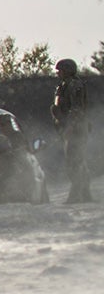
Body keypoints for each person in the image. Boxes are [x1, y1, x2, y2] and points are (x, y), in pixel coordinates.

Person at [53, 58, 93, 205]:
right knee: (76, 161)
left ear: (68, 70)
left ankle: (78, 194)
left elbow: (76, 109)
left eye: (61, 71)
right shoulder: (63, 86)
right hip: (69, 128)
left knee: (75, 162)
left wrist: (70, 127)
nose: (58, 74)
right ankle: (84, 194)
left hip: (76, 129)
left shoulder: (74, 85)